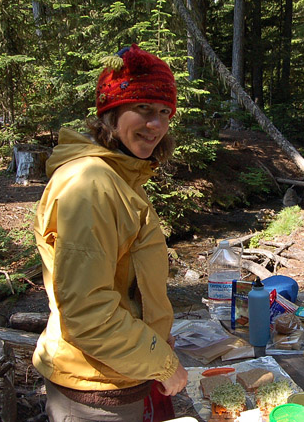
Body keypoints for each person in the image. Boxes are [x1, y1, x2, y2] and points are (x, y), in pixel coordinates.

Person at [33, 44, 188, 422]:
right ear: (111, 113)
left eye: (165, 112)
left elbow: (124, 282)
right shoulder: (91, 184)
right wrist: (164, 364)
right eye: (145, 110)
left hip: (116, 373)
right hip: (93, 392)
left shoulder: (119, 177)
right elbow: (88, 312)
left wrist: (155, 336)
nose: (157, 124)